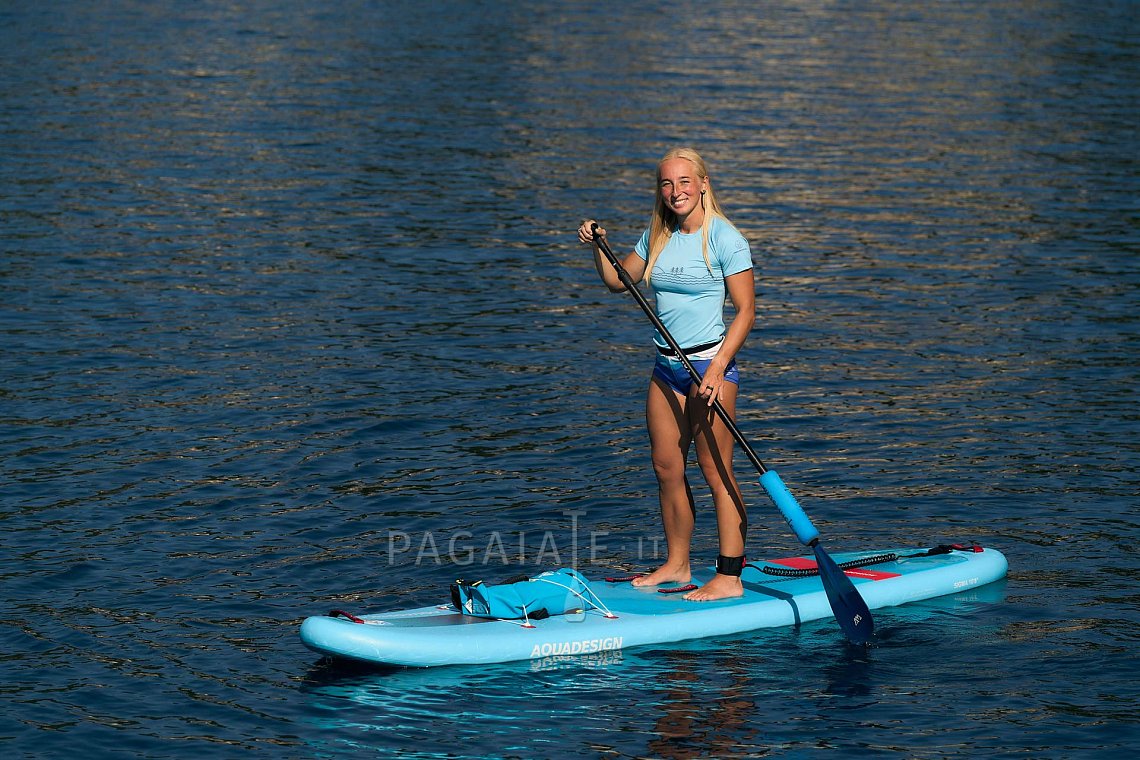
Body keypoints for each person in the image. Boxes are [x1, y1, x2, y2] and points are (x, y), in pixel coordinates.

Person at [577, 147, 756, 601]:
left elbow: (747, 311)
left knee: (717, 472)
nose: (675, 191)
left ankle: (730, 576)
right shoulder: (658, 234)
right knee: (666, 468)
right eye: (666, 183)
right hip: (666, 368)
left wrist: (717, 369)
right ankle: (678, 565)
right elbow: (620, 282)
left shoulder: (724, 238)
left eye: (683, 182)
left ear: (703, 184)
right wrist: (600, 247)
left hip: (709, 366)